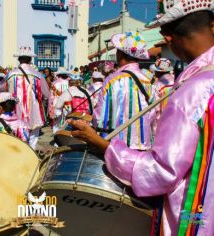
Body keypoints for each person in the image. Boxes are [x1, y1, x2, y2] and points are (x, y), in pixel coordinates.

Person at [69, 4, 214, 235]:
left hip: (137, 167)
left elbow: (163, 171)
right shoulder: (149, 81)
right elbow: (157, 121)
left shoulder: (191, 90)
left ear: (168, 37)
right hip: (145, 149)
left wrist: (102, 144)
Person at [93, 31, 155, 150]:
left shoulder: (111, 80)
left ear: (120, 54)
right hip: (143, 145)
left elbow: (99, 117)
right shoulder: (147, 81)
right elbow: (152, 115)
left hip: (114, 146)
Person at [0, 46, 50, 150]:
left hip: (14, 108)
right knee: (33, 138)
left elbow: (0, 89)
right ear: (30, 60)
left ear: (19, 59)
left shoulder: (11, 74)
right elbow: (47, 94)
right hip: (34, 110)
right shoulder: (38, 75)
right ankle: (31, 156)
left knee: (15, 135)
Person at [152, 58, 175, 133]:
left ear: (158, 72)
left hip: (162, 121)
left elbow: (156, 107)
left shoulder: (157, 85)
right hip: (175, 117)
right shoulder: (177, 80)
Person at [49, 67, 72, 133]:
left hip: (57, 105)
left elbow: (51, 97)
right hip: (67, 104)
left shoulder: (55, 84)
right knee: (66, 121)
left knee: (56, 123)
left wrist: (51, 108)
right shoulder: (69, 83)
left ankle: (56, 136)